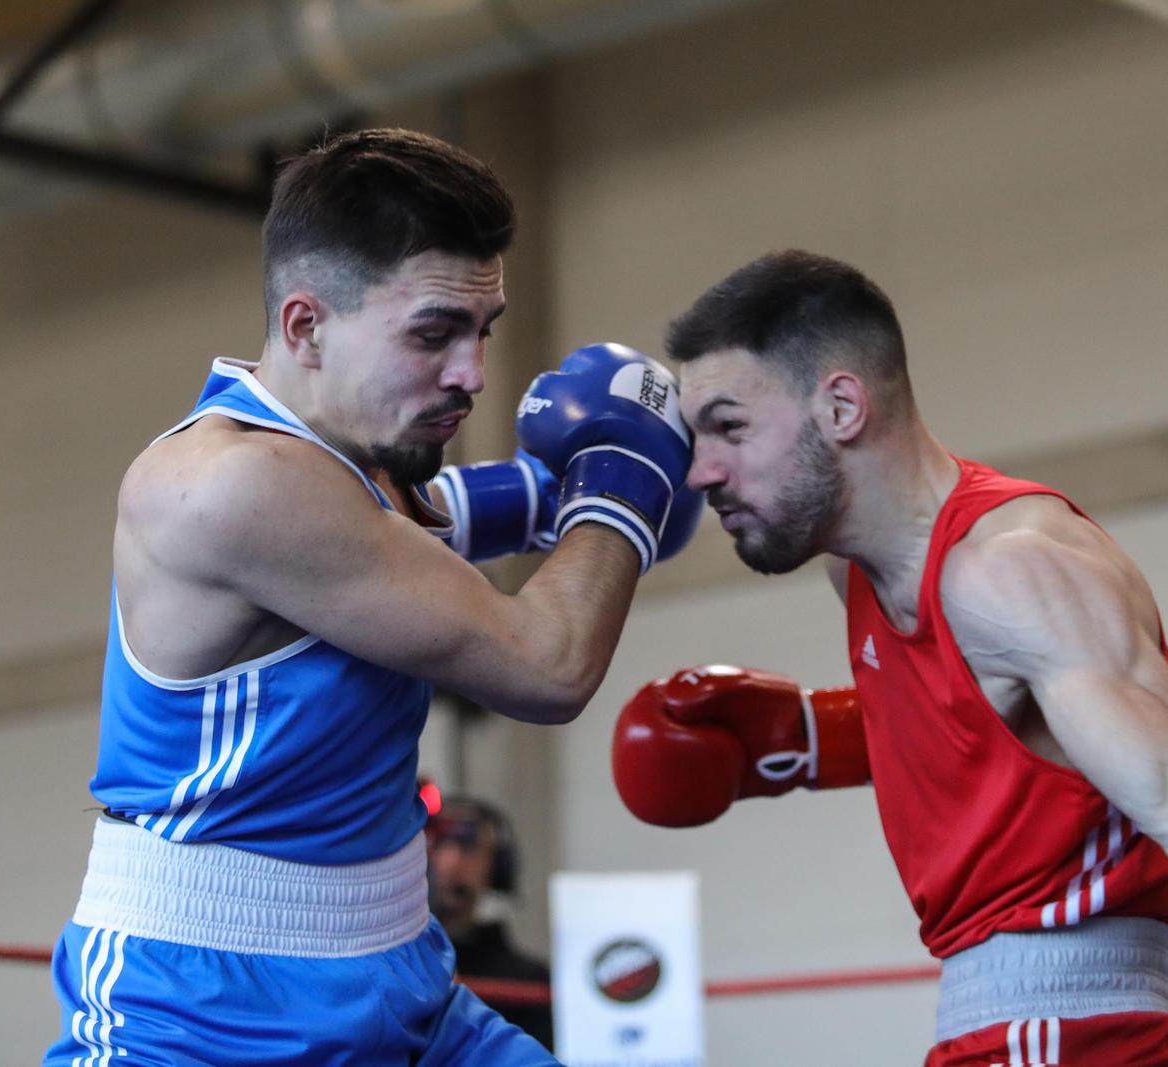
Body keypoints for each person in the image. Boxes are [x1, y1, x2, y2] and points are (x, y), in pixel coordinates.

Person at [610, 249, 1168, 1066]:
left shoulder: (1010, 567)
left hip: (1071, 1033)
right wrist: (805, 735)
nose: (701, 472)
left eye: (727, 427)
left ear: (841, 407)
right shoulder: (856, 569)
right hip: (1004, 1030)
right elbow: (978, 725)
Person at [44, 127, 700, 1066]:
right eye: (433, 333)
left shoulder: (352, 463)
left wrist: (573, 493)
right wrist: (624, 486)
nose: (471, 373)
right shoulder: (231, 482)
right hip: (208, 1012)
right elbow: (547, 665)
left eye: (483, 331)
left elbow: (427, 525)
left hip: (401, 978)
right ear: (307, 326)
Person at [427, 794, 555, 1050]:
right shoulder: (389, 967)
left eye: (468, 847)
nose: (451, 863)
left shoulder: (530, 982)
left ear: (497, 867)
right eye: (438, 844)